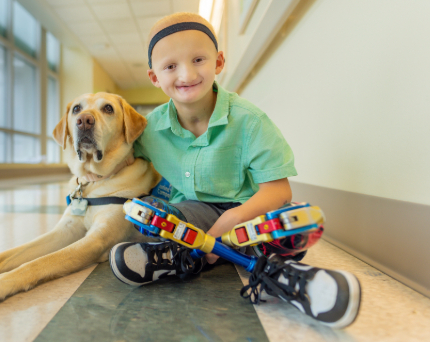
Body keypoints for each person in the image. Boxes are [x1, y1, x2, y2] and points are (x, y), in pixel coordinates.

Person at [108, 12, 361, 329]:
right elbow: (118, 157)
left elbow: (278, 189)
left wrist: (232, 219)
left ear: (219, 62)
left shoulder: (250, 120)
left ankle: (199, 253)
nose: (186, 74)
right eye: (170, 66)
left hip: (250, 209)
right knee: (165, 215)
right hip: (195, 211)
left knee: (290, 217)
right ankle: (193, 251)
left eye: (198, 59)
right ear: (154, 77)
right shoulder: (150, 129)